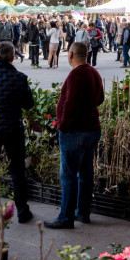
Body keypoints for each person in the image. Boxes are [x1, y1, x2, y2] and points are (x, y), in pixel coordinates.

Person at [45, 42, 104, 229]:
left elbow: (68, 106)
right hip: (92, 129)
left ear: (70, 54)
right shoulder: (93, 71)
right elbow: (100, 98)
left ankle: (65, 217)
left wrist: (61, 126)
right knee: (85, 173)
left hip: (75, 131)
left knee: (69, 175)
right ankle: (83, 213)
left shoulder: (75, 75)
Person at [0, 42, 34, 224]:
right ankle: (23, 211)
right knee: (17, 169)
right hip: (13, 129)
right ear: (12, 58)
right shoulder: (20, 78)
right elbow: (28, 104)